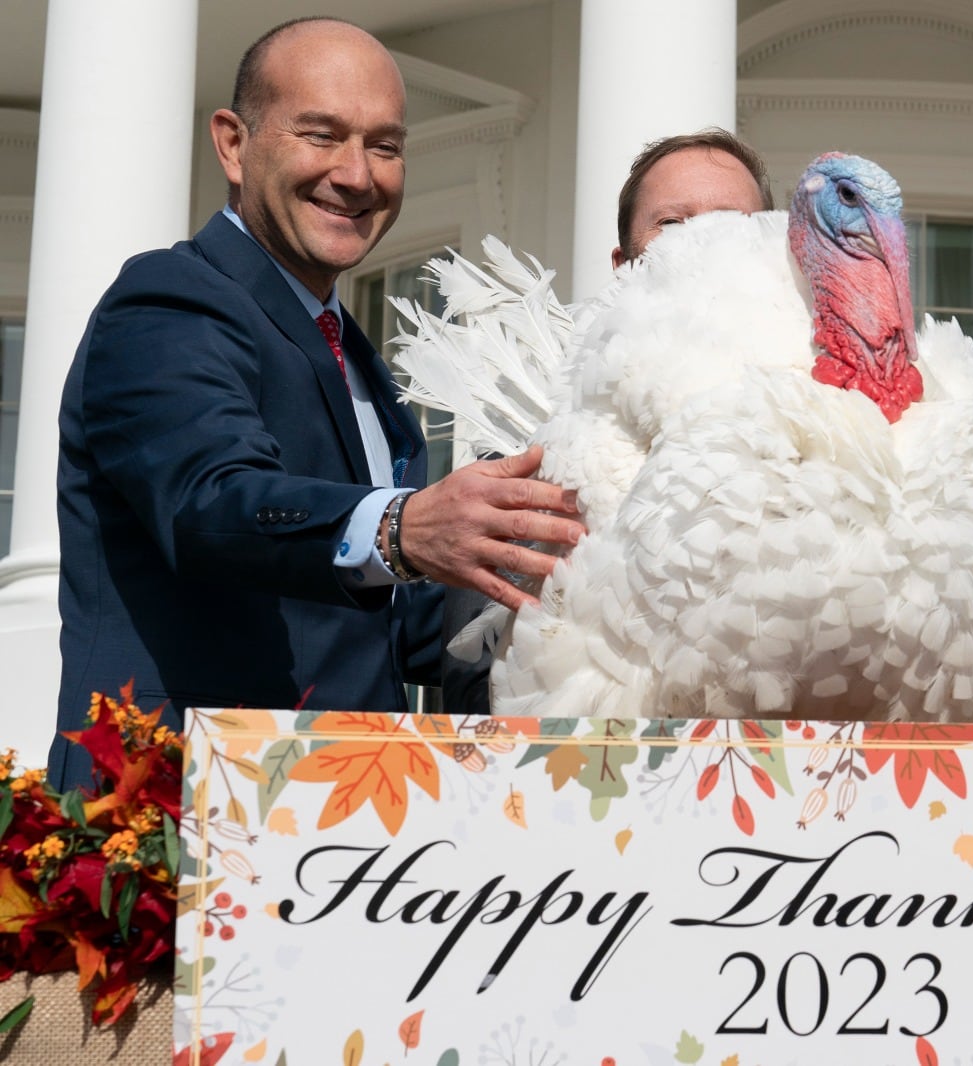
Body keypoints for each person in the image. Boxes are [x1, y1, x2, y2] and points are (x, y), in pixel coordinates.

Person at [51, 17, 584, 787]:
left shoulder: (355, 364)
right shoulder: (170, 300)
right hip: (174, 807)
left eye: (385, 145)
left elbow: (380, 630)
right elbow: (211, 502)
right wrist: (405, 527)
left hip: (335, 820)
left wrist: (560, 588)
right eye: (322, 134)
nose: (357, 174)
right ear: (234, 143)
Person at [440, 128, 772, 713]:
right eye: (673, 225)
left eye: (732, 225)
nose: (704, 247)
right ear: (623, 266)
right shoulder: (530, 466)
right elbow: (477, 689)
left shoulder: (852, 445)